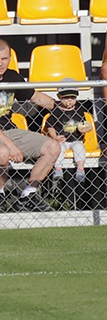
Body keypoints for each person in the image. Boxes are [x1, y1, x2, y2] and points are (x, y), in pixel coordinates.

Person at [0, 40, 59, 213]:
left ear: (10, 58)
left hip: (10, 131)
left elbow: (37, 97)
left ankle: (28, 195)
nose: (0, 63)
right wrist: (11, 147)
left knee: (53, 147)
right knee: (3, 152)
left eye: (4, 58)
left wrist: (64, 108)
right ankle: (0, 193)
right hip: (3, 140)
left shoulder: (12, 77)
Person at [43, 81, 92, 183]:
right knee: (58, 149)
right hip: (62, 140)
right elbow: (50, 126)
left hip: (76, 139)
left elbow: (82, 124)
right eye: (66, 98)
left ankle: (80, 169)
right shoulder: (56, 111)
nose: (69, 101)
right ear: (59, 97)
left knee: (80, 148)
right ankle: (58, 169)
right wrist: (55, 137)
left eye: (73, 98)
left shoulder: (79, 110)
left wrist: (84, 129)